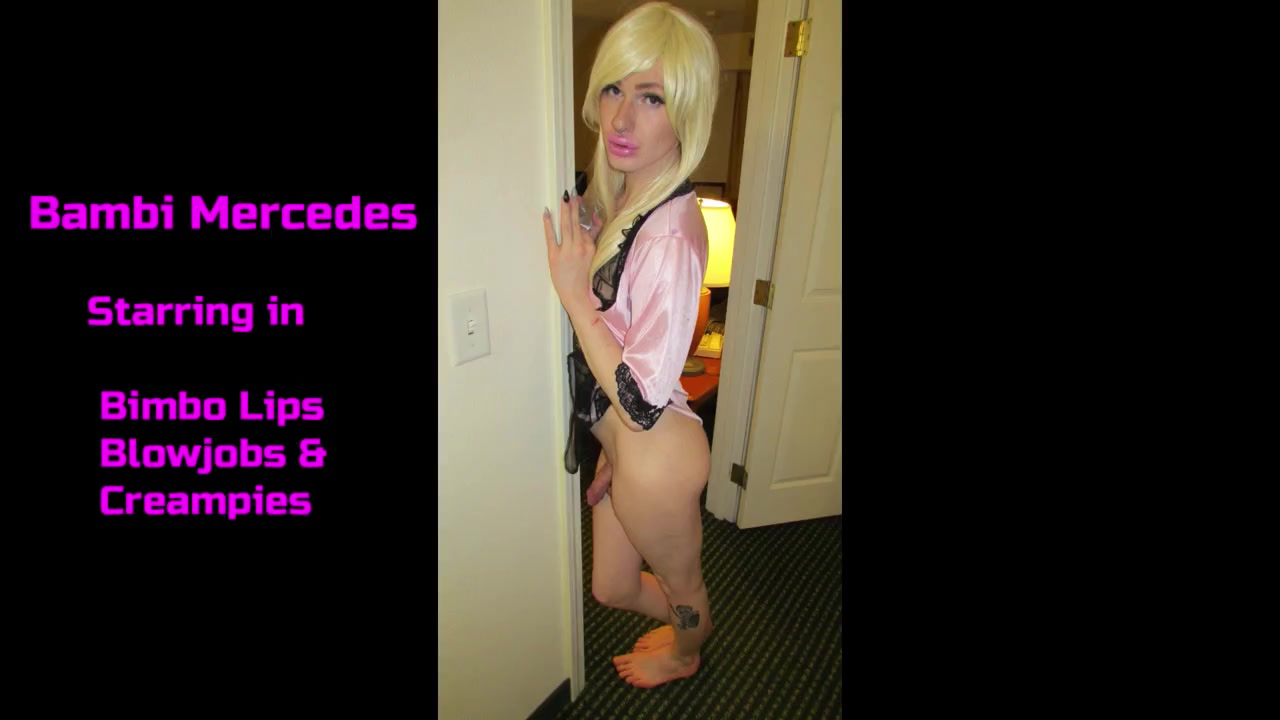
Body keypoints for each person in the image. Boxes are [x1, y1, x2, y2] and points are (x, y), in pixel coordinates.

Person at [541, 2, 719, 689]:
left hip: (656, 456)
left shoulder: (669, 233)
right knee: (612, 588)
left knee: (684, 585)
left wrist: (575, 296)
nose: (620, 119)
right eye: (614, 88)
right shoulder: (631, 197)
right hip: (628, 448)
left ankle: (686, 650)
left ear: (687, 113)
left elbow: (641, 404)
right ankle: (685, 629)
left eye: (652, 98)